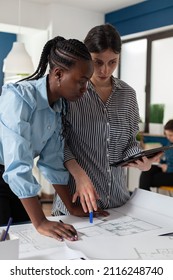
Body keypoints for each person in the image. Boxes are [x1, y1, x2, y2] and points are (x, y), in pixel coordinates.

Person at [52, 24, 161, 217]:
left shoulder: (128, 94)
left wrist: (142, 161)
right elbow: (57, 142)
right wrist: (79, 174)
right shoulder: (70, 91)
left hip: (118, 202)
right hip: (76, 203)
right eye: (98, 62)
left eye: (113, 62)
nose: (105, 70)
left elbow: (129, 142)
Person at [0, 35, 93, 240]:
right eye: (81, 81)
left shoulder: (57, 108)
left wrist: (71, 207)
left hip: (13, 178)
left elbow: (51, 162)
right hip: (8, 172)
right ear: (58, 73)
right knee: (5, 242)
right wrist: (41, 221)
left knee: (26, 238)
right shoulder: (18, 98)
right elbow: (17, 163)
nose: (85, 89)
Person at [139, 119, 173, 191]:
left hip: (171, 172)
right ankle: (145, 197)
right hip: (166, 170)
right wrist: (161, 160)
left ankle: (144, 198)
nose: (168, 137)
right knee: (147, 170)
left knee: (147, 180)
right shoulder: (170, 143)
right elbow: (168, 159)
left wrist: (169, 168)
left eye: (171, 135)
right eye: (166, 135)